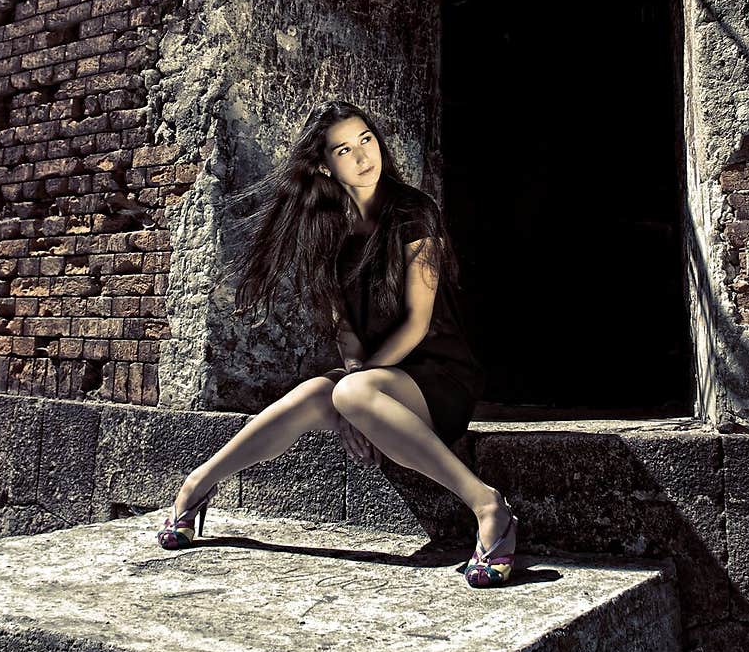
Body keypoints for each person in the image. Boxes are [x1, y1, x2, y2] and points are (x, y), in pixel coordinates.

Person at [156, 99, 517, 587]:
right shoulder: (327, 229)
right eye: (345, 149)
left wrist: (358, 392)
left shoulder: (414, 213)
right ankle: (198, 484)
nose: (364, 156)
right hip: (379, 380)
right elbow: (343, 326)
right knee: (315, 394)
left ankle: (487, 505)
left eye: (366, 139)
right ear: (326, 164)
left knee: (347, 393)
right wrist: (357, 385)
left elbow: (416, 324)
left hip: (440, 375)